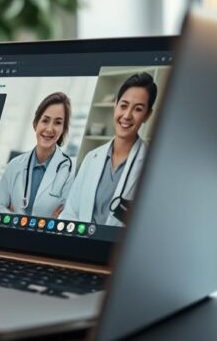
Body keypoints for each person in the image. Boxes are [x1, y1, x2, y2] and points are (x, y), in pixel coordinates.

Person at [59, 73, 158, 226]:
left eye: (138, 109)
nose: (127, 115)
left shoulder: (154, 166)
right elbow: (70, 211)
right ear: (115, 105)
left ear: (147, 115)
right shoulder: (91, 158)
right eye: (123, 105)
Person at [0, 92, 75, 218]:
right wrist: (45, 221)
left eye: (57, 123)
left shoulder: (69, 172)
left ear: (63, 129)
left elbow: (66, 219)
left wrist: (12, 214)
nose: (49, 129)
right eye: (45, 120)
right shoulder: (14, 165)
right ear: (35, 123)